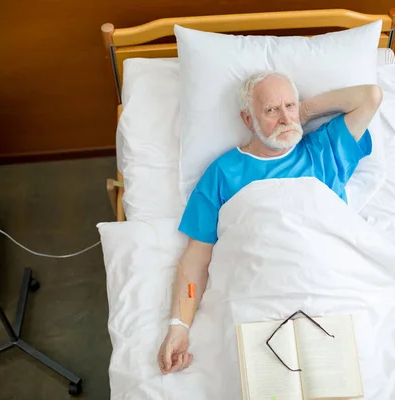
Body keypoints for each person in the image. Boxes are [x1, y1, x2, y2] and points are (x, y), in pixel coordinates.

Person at [157, 71, 382, 374]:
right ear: (248, 120)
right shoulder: (223, 172)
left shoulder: (324, 150)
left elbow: (371, 97)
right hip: (259, 290)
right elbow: (196, 257)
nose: (284, 118)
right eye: (271, 110)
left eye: (289, 105)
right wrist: (178, 326)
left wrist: (302, 112)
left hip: (327, 283)